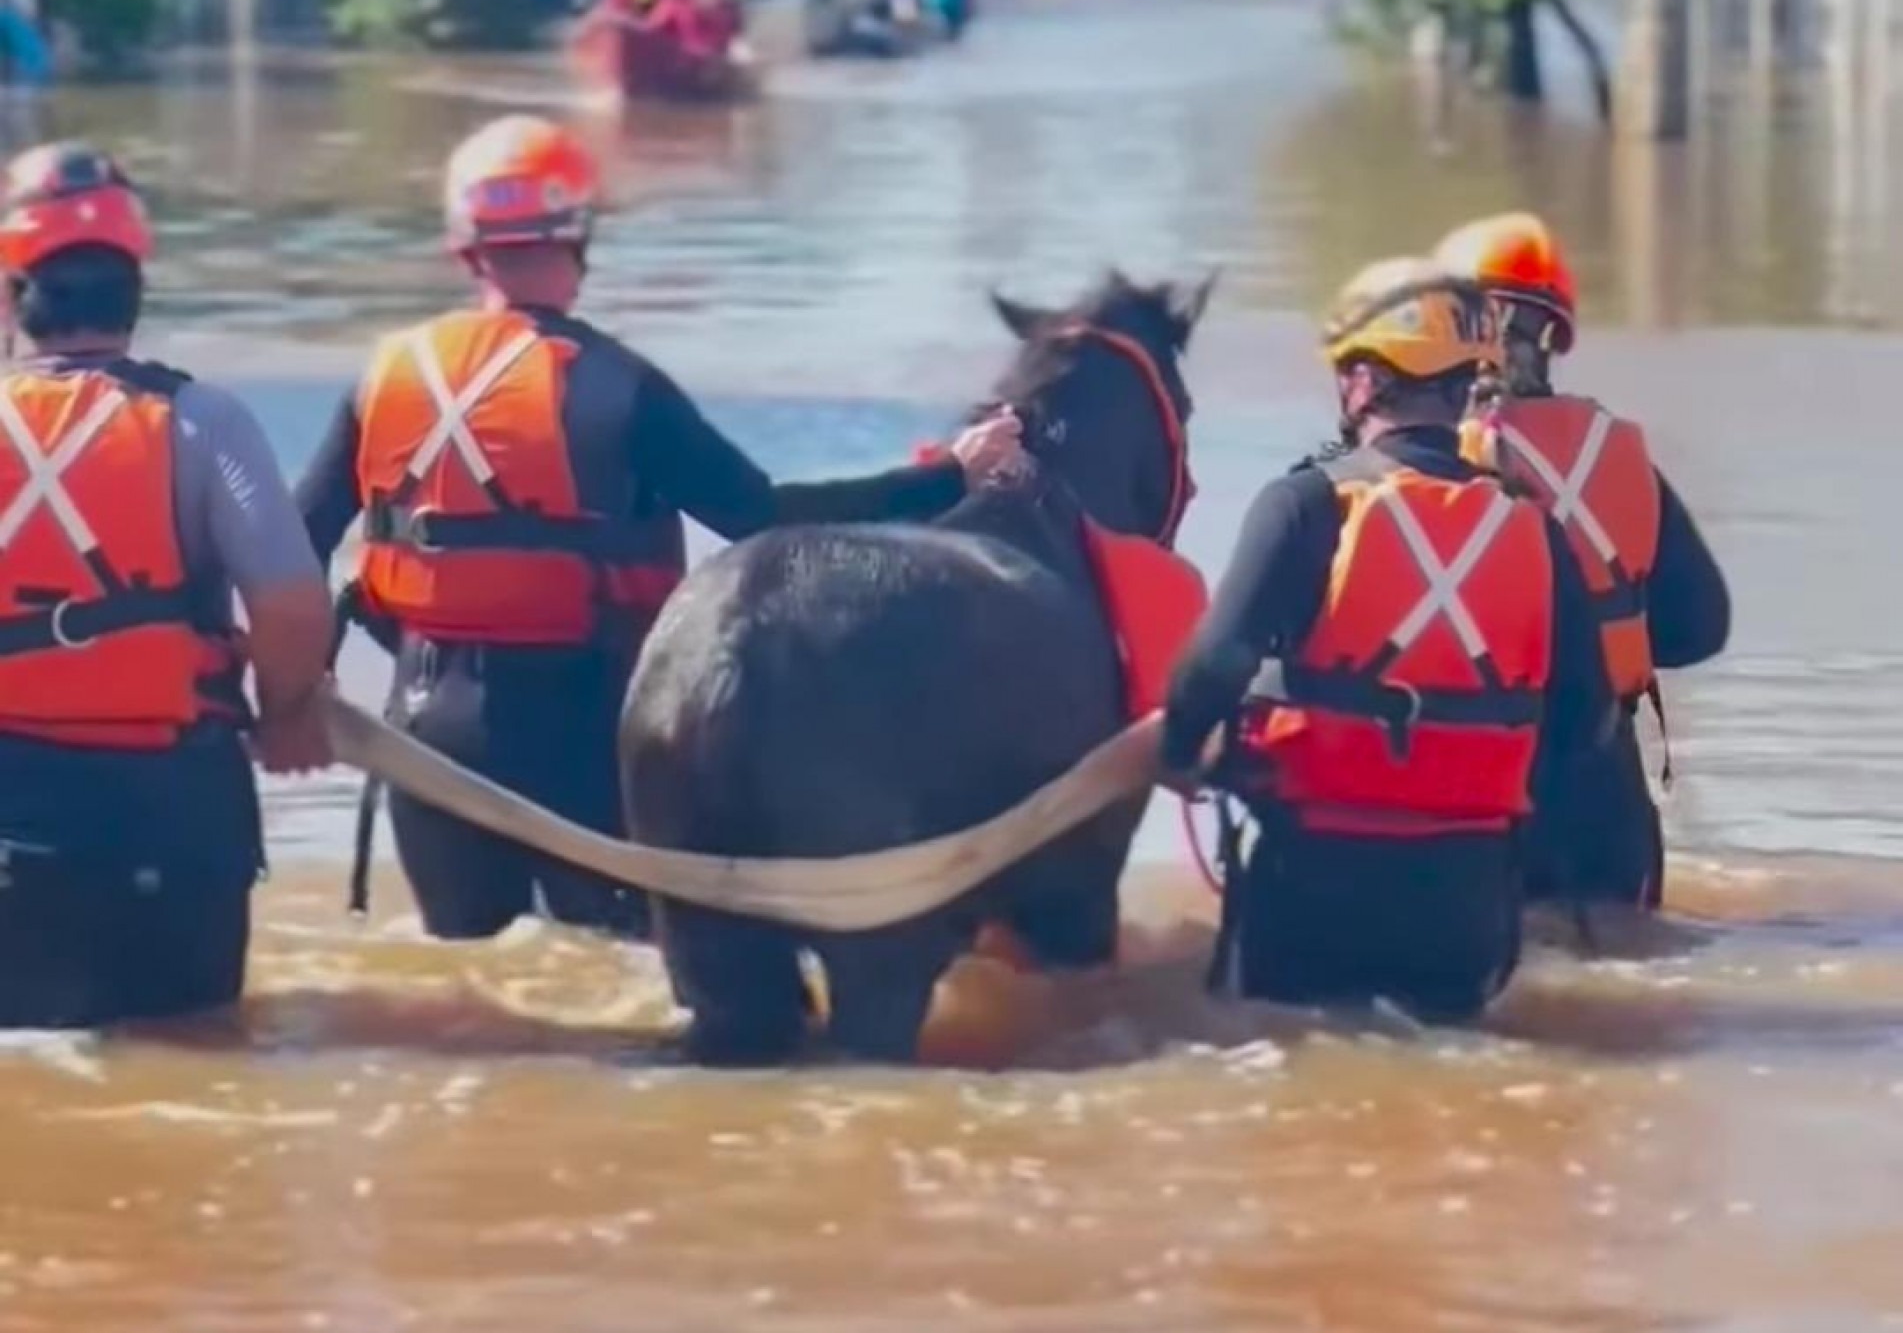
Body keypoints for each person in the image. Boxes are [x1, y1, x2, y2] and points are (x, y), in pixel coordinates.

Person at [297, 115, 1022, 943]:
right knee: (621, 989)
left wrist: (298, 687)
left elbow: (295, 538)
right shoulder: (620, 387)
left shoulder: (384, 377)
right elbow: (760, 517)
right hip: (584, 732)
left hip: (424, 732)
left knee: (475, 1005)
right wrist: (945, 477)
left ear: (466, 248)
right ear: (579, 237)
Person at [1161, 260, 1616, 1022]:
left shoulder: (1302, 505)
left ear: (1365, 382)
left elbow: (1211, 667)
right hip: (1463, 910)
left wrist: (1181, 756)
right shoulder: (1535, 530)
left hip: (1308, 889)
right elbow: (1588, 722)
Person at [0, 142, 334, 1028]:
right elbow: (294, 601)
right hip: (178, 826)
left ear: (13, 291)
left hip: (13, 836)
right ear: (136, 288)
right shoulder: (205, 421)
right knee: (197, 1064)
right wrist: (291, 709)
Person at [1435, 213, 1730, 908]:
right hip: (1607, 799)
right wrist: (1604, 640)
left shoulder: (1419, 464)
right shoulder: (1620, 457)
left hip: (1479, 793)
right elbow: (1701, 628)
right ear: (1552, 337)